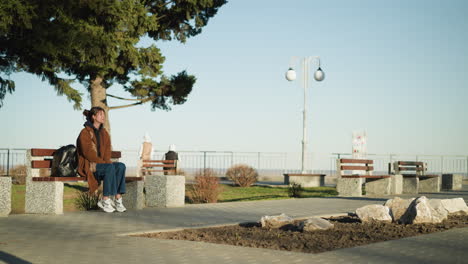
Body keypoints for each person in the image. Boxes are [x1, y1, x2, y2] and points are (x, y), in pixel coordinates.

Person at [76, 107, 126, 213]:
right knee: (109, 168)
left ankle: (117, 199)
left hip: (103, 165)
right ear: (93, 117)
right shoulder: (85, 132)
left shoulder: (104, 133)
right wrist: (105, 163)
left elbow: (107, 151)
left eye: (104, 114)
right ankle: (105, 199)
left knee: (121, 166)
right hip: (90, 166)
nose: (103, 117)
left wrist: (106, 161)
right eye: (100, 115)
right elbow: (88, 153)